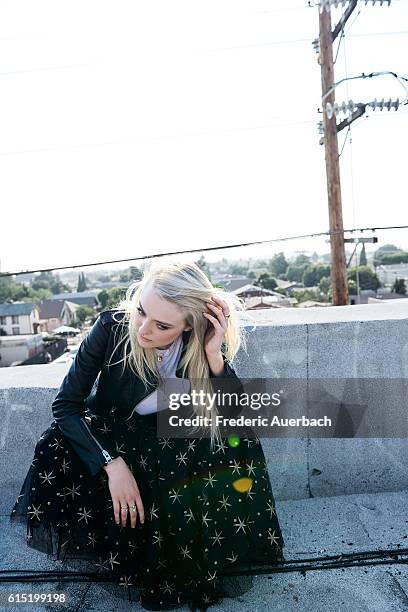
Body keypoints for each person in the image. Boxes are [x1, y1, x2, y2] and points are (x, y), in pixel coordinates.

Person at [10, 260, 285, 611]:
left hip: (170, 438)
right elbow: (65, 405)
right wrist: (111, 465)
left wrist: (214, 354)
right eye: (141, 312)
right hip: (115, 433)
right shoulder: (111, 327)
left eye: (162, 325)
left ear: (190, 325)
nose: (143, 330)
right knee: (56, 443)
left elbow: (233, 412)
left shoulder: (201, 342)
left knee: (239, 437)